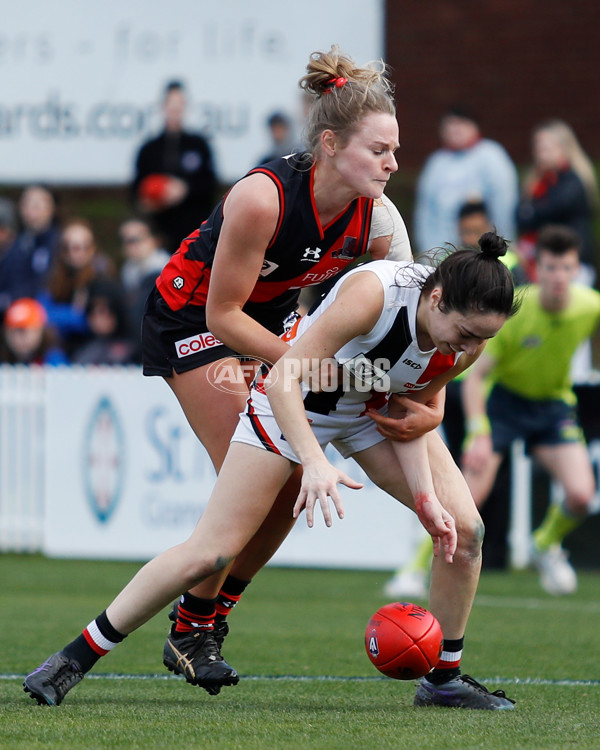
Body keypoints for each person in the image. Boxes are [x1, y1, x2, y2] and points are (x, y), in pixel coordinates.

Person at [28, 45, 434, 697]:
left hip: (270, 331)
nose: (393, 164)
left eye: (394, 150)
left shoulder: (377, 220)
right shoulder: (262, 197)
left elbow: (394, 315)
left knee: (289, 480)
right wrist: (307, 363)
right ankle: (171, 635)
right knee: (248, 497)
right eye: (379, 150)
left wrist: (417, 392)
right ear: (330, 144)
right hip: (194, 324)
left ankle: (196, 625)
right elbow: (223, 316)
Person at [23, 231, 518, 710]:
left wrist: (425, 498)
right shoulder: (376, 294)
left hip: (364, 412)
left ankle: (444, 679)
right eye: (468, 333)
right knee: (211, 554)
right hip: (290, 402)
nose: (470, 348)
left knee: (465, 530)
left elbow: (405, 411)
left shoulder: (464, 344)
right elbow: (284, 378)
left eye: (484, 338)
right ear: (435, 299)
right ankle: (73, 658)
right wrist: (315, 461)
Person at [461, 225, 600, 595]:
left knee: (582, 495)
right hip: (504, 404)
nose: (559, 276)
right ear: (538, 268)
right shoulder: (515, 309)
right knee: (466, 500)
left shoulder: (590, 306)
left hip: (553, 406)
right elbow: (476, 378)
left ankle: (544, 545)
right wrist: (478, 430)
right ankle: (413, 570)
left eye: (566, 268)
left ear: (576, 271)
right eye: (551, 267)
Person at [413, 106, 519, 256]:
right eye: (450, 124)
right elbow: (425, 213)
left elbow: (504, 204)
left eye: (460, 123)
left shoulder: (491, 156)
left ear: (474, 126)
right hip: (443, 252)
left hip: (483, 249)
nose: (454, 129)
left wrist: (504, 242)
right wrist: (428, 251)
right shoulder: (436, 163)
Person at [132, 80, 217, 253]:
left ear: (185, 107)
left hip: (194, 234)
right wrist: (154, 198)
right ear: (163, 106)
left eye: (179, 105)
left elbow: (210, 184)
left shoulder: (198, 145)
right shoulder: (149, 149)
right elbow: (136, 192)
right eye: (171, 104)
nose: (175, 110)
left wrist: (185, 190)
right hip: (159, 235)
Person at [516, 119, 599, 285]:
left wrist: (530, 210)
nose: (541, 152)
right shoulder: (536, 181)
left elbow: (547, 211)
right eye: (538, 146)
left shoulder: (572, 181)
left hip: (571, 263)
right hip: (542, 262)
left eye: (547, 146)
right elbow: (520, 217)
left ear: (565, 148)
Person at [38, 218, 116, 357]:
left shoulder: (103, 281)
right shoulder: (55, 278)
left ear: (92, 249)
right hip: (61, 351)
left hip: (95, 353)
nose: (75, 253)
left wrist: (69, 317)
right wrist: (74, 316)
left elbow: (100, 325)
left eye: (82, 247)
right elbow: (40, 313)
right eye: (68, 248)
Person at [0, 185, 61, 309]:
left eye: (36, 205)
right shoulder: (18, 241)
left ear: (51, 208)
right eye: (26, 204)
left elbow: (42, 283)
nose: (30, 210)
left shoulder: (60, 242)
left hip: (41, 312)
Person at [118, 218, 170, 343]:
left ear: (154, 240)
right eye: (125, 241)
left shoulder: (164, 269)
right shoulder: (128, 270)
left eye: (134, 240)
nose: (130, 246)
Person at [71, 279, 140, 366]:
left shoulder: (134, 350)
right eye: (93, 311)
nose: (98, 319)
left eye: (103, 311)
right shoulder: (78, 346)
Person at [0, 297, 68, 366]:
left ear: (39, 331)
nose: (18, 339)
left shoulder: (53, 358)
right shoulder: (3, 356)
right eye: (12, 332)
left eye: (24, 331)